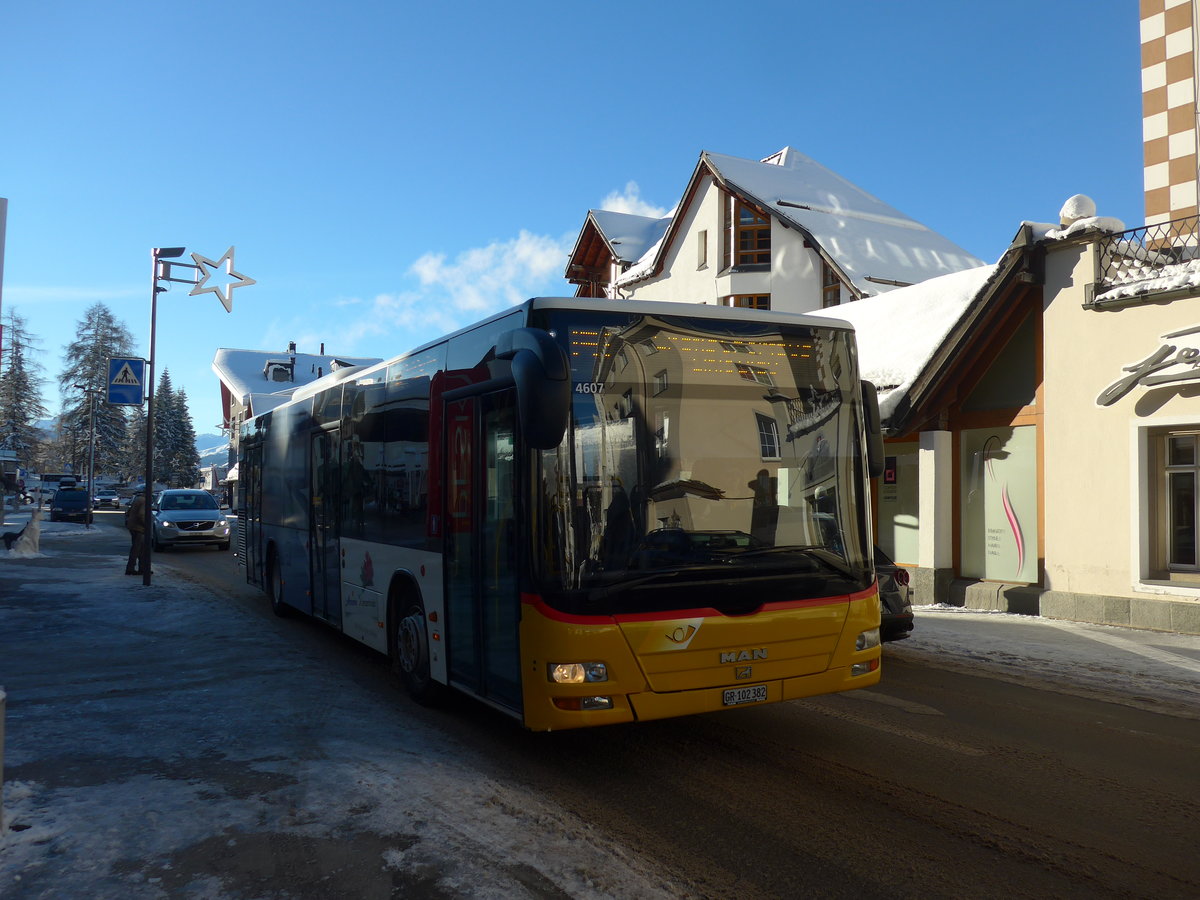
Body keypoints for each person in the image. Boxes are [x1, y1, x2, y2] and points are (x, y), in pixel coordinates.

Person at [125, 491, 148, 575]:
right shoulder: (144, 501)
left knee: (140, 548)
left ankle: (142, 568)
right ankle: (131, 568)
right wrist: (146, 525)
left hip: (133, 526)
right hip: (139, 528)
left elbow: (128, 512)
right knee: (137, 549)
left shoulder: (137, 499)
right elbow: (141, 514)